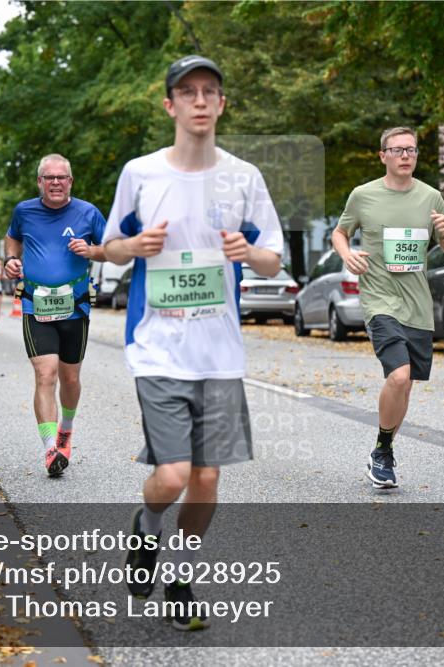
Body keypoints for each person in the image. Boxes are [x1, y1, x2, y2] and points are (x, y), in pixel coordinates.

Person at [102, 55, 283, 631]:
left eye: (210, 91)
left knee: (207, 479)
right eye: (188, 91)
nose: (200, 100)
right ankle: (147, 526)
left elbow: (273, 256)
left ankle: (180, 577)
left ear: (222, 104)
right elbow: (108, 247)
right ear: (170, 105)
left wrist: (247, 254)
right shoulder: (141, 173)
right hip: (157, 346)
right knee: (176, 474)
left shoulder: (244, 176)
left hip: (221, 352)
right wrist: (135, 247)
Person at [331, 126, 444, 489]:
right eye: (398, 149)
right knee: (399, 375)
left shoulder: (431, 197)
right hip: (379, 299)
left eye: (411, 150)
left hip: (417, 304)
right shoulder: (363, 195)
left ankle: (382, 451)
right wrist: (347, 254)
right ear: (383, 155)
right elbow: (339, 232)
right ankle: (383, 452)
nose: (406, 156)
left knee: (406, 386)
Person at [3, 154, 107, 477]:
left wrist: (91, 251)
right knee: (45, 374)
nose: (56, 182)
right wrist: (10, 259)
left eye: (62, 177)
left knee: (70, 378)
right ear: (40, 182)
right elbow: (13, 238)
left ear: (71, 181)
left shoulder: (88, 213)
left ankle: (66, 428)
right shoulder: (24, 211)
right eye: (50, 178)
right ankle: (50, 449)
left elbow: (113, 249)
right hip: (36, 304)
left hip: (75, 306)